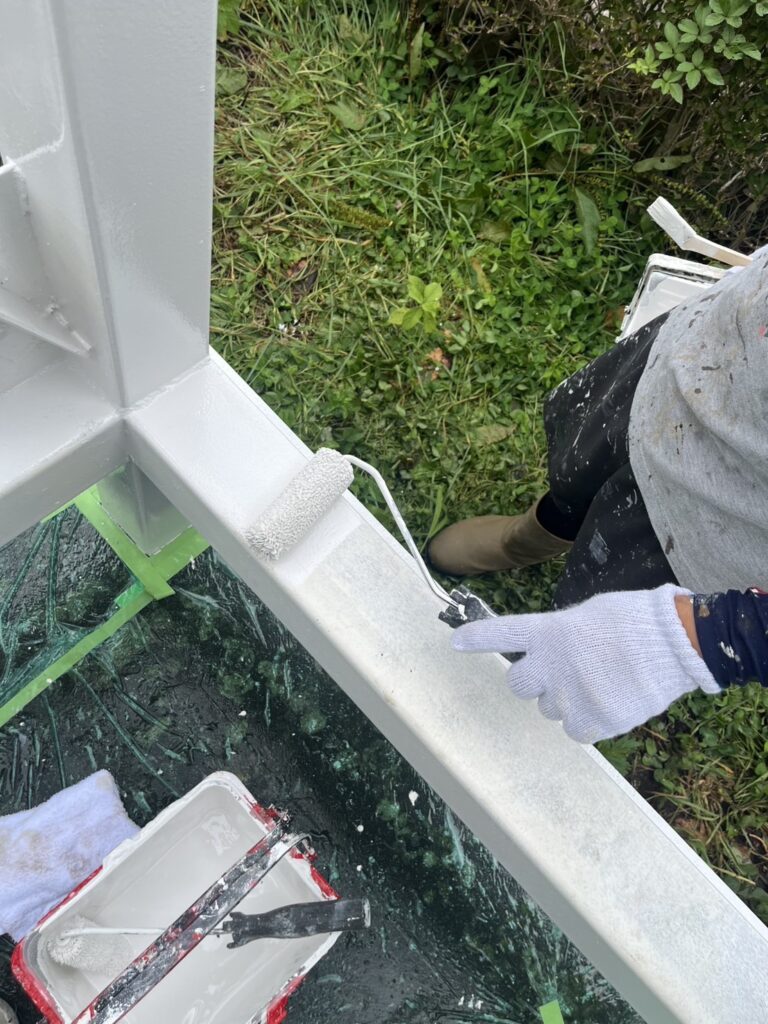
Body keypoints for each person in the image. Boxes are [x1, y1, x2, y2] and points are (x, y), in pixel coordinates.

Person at [429, 248, 768, 743]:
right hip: (700, 353)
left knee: (591, 618)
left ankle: (544, 665)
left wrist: (716, 634)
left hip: (726, 525)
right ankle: (526, 538)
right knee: (578, 478)